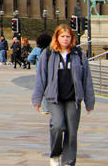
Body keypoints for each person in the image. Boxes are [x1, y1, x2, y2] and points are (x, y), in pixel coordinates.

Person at [32, 25, 95, 166]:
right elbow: (41, 78)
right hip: (55, 98)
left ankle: (68, 162)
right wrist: (37, 99)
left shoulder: (78, 54)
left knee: (72, 132)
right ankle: (55, 153)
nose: (65, 39)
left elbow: (87, 79)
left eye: (68, 36)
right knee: (58, 126)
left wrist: (89, 102)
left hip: (73, 98)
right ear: (57, 38)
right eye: (62, 36)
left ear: (72, 38)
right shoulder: (48, 54)